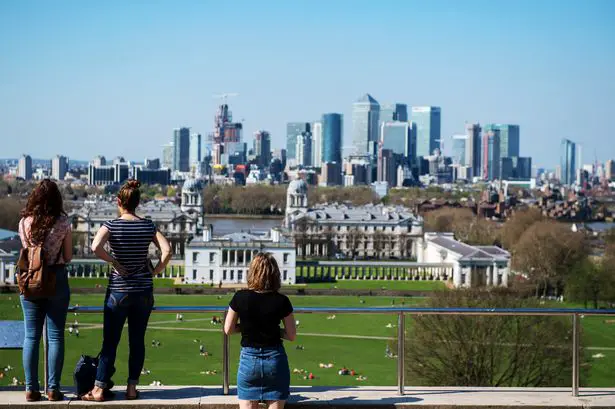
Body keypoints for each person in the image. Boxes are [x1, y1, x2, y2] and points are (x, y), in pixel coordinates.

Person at [82, 179, 172, 402]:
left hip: (118, 291)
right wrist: (156, 270)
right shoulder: (148, 225)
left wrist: (113, 261)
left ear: (118, 202)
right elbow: (167, 250)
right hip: (142, 291)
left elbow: (95, 247)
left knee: (110, 342)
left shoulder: (111, 225)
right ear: (138, 203)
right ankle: (132, 388)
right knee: (137, 341)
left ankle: (100, 389)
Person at [18, 179, 72, 402]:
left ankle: (31, 388)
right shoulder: (63, 222)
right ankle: (53, 388)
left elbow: (27, 253)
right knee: (56, 336)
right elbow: (68, 257)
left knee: (31, 336)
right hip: (56, 278)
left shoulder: (24, 222)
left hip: (30, 279)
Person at [224, 253, 297, 409]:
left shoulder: (240, 297)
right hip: (275, 360)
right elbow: (291, 335)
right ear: (275, 274)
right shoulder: (282, 300)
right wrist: (273, 330)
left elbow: (228, 329)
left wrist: (247, 327)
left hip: (249, 360)